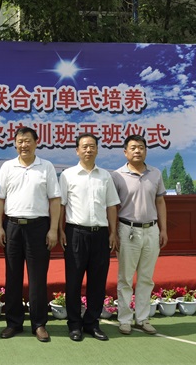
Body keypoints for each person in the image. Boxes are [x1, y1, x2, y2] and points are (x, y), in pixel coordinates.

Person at [0, 126, 61, 343]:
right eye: (20, 141)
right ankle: (13, 323)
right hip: (12, 226)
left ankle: (39, 324)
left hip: (38, 227)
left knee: (38, 278)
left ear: (36, 142)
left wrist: (53, 229)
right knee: (12, 276)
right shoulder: (7, 167)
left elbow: (55, 200)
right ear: (15, 144)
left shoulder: (46, 166)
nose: (24, 145)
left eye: (28, 141)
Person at [58, 133, 120, 342]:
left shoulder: (105, 176)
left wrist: (113, 232)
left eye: (92, 146)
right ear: (77, 150)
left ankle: (92, 323)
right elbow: (61, 205)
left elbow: (111, 206)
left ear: (97, 150)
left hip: (100, 234)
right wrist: (60, 230)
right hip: (75, 233)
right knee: (73, 281)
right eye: (84, 146)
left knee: (97, 281)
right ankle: (74, 324)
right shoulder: (68, 175)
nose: (88, 150)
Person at [111, 134, 168, 336]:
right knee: (125, 278)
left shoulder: (155, 173)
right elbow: (112, 206)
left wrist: (163, 229)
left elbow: (160, 202)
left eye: (141, 147)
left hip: (151, 229)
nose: (137, 151)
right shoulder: (117, 176)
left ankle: (142, 318)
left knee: (146, 277)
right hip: (127, 230)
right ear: (125, 152)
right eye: (133, 147)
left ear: (146, 151)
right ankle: (125, 319)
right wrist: (113, 232)